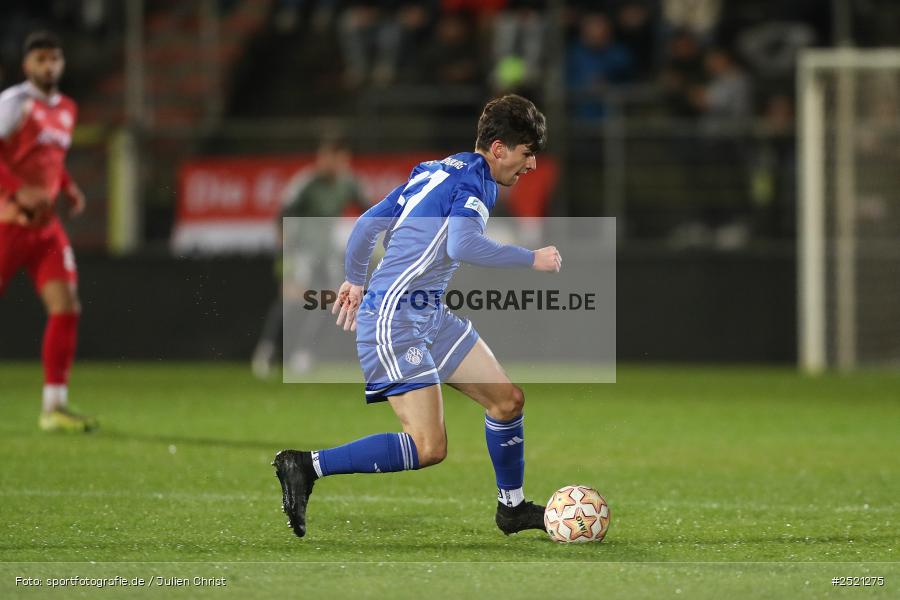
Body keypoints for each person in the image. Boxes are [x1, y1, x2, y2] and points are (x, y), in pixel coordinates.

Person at [273, 94, 562, 538]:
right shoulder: (476, 184)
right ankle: (306, 466)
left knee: (507, 401)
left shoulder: (435, 168)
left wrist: (354, 278)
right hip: (394, 320)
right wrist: (532, 259)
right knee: (429, 447)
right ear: (500, 148)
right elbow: (462, 246)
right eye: (528, 155)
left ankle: (513, 508)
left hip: (429, 314)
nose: (532, 167)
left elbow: (369, 222)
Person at [0, 31, 94, 432]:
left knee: (67, 306)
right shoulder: (14, 103)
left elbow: (51, 160)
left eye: (54, 59)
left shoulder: (67, 108)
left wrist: (68, 189)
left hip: (46, 228)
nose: (49, 66)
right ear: (27, 65)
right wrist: (16, 189)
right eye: (40, 59)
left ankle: (53, 406)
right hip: (8, 222)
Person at [252, 135, 364, 378]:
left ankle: (303, 352)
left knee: (331, 301)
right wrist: (287, 253)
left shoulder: (347, 183)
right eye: (332, 159)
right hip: (300, 253)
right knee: (291, 301)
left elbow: (368, 209)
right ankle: (268, 349)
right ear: (322, 159)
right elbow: (282, 215)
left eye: (342, 161)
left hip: (326, 254)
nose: (336, 165)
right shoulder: (306, 183)